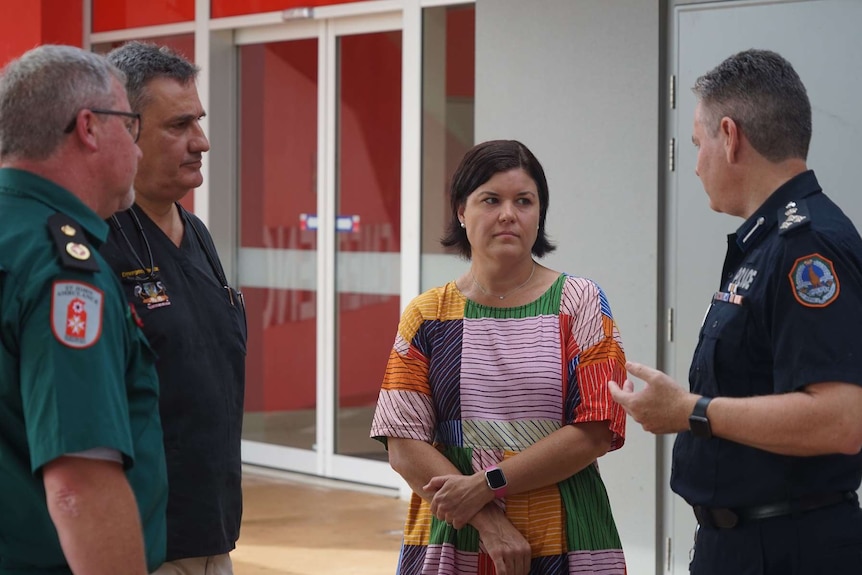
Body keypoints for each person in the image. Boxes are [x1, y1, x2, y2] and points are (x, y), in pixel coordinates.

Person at [609, 49, 862, 575]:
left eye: (700, 144)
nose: (697, 163)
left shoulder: (805, 246)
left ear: (730, 135)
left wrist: (691, 411)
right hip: (742, 543)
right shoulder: (768, 242)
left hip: (786, 550)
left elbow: (842, 420)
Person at [370, 140, 628, 575]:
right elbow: (403, 444)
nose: (508, 213)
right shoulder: (427, 314)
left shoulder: (580, 302)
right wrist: (486, 517)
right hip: (456, 534)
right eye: (491, 199)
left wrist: (488, 485)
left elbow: (598, 428)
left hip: (565, 533)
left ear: (539, 213)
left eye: (524, 201)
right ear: (460, 211)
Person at [0, 45, 167, 574]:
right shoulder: (62, 270)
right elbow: (79, 486)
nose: (138, 151)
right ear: (89, 128)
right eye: (131, 125)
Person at [100, 41, 247, 575]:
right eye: (179, 126)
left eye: (199, 122)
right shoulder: (96, 242)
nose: (202, 142)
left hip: (213, 537)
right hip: (142, 547)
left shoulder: (199, 235)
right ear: (126, 130)